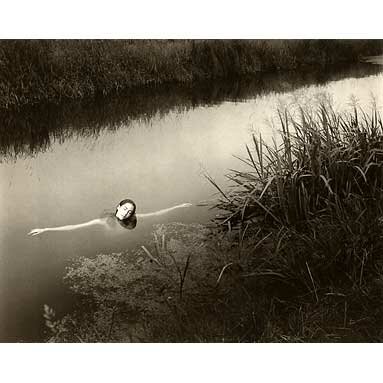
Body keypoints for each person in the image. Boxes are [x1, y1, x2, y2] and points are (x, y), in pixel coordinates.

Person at [27, 199, 192, 236]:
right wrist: (45, 229)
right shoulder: (103, 221)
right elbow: (74, 226)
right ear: (118, 207)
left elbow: (156, 214)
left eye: (130, 211)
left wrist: (178, 206)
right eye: (125, 208)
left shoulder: (133, 220)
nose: (127, 212)